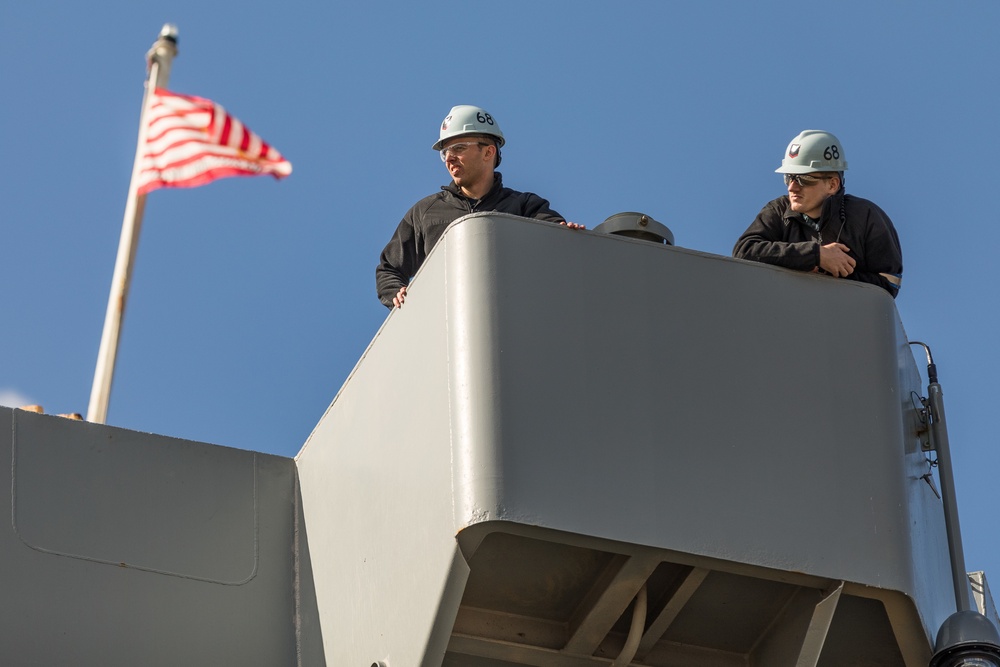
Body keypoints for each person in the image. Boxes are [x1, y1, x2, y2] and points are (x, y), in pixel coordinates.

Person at [376, 105, 581, 309]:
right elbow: (389, 269)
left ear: (488, 152)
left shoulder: (525, 205)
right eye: (445, 152)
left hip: (514, 314)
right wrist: (396, 292)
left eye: (459, 148)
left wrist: (567, 235)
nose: (449, 158)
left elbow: (555, 236)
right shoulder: (425, 212)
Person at [733, 130, 902, 298]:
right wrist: (815, 255)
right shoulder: (778, 210)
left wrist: (829, 274)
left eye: (803, 179)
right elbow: (744, 250)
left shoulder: (866, 217)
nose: (792, 187)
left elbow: (889, 282)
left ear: (832, 185)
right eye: (789, 177)